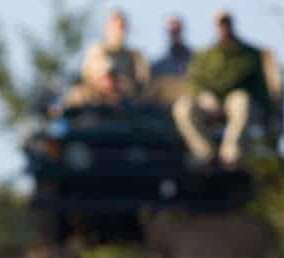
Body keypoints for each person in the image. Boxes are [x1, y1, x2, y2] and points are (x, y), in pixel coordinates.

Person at [172, 11, 270, 167]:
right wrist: (204, 96)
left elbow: (260, 89)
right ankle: (204, 153)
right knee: (182, 107)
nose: (224, 28)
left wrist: (268, 113)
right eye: (220, 24)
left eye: (226, 24)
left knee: (241, 100)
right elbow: (194, 82)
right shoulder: (205, 55)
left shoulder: (249, 54)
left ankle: (231, 154)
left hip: (236, 104)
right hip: (209, 105)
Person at [80, 9, 149, 97]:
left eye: (120, 27)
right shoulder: (95, 52)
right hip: (97, 100)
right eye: (113, 26)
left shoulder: (136, 56)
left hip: (127, 102)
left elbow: (142, 83)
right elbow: (87, 77)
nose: (117, 31)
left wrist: (122, 84)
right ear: (106, 28)